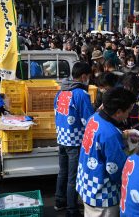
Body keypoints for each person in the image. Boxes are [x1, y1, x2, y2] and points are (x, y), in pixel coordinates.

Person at [76, 87, 136, 216]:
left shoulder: (94, 117)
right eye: (128, 111)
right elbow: (116, 169)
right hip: (103, 194)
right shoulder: (110, 134)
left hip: (87, 184)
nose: (128, 115)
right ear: (119, 112)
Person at [54, 62, 95, 217]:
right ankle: (72, 209)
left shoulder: (61, 92)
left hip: (62, 137)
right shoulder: (81, 94)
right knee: (73, 176)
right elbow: (88, 120)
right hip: (75, 140)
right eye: (88, 77)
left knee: (62, 172)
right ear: (84, 76)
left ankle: (60, 201)